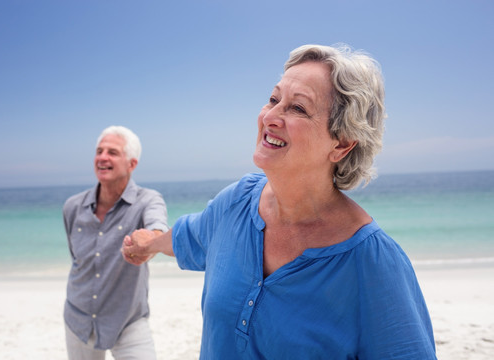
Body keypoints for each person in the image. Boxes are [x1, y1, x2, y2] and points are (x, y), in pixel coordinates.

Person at [122, 44, 437, 359]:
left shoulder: (374, 263)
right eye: (274, 99)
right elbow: (188, 237)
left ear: (341, 144)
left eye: (297, 108)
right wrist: (147, 243)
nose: (271, 116)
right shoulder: (236, 203)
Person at [63, 125, 168, 360]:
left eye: (112, 152)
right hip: (78, 320)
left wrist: (149, 243)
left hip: (128, 321)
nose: (102, 157)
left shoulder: (148, 200)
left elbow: (157, 227)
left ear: (132, 164)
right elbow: (76, 259)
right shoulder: (72, 207)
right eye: (99, 151)